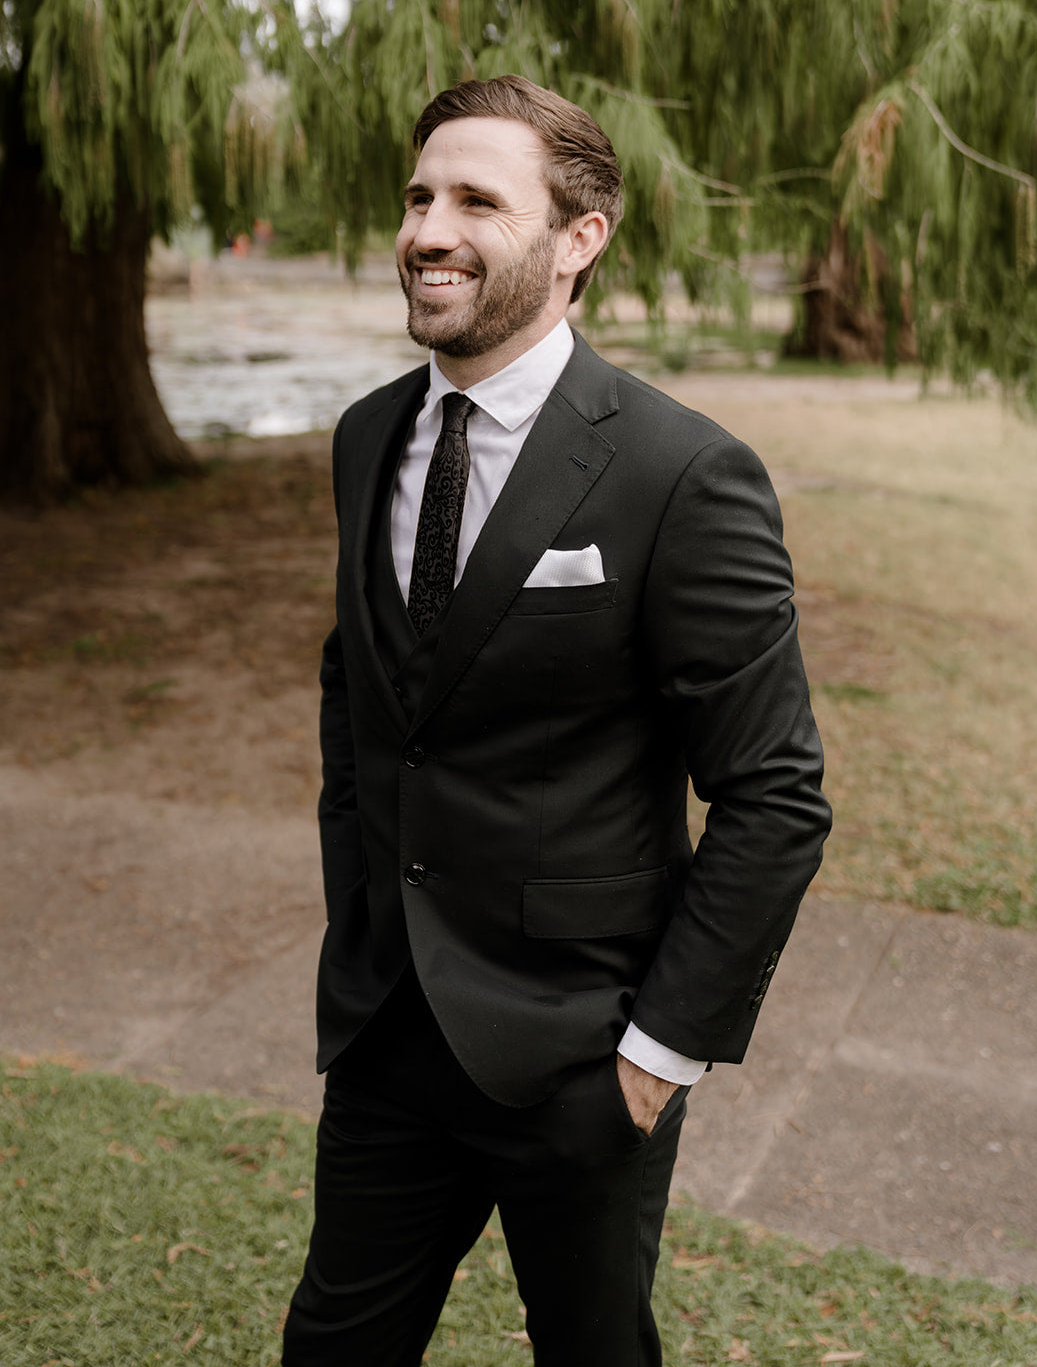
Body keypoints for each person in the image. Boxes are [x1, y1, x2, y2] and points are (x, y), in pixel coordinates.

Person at [282, 75, 831, 1367]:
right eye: (420, 196)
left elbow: (775, 797)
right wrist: (360, 912)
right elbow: (358, 697)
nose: (428, 230)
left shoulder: (679, 473)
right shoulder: (371, 438)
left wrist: (652, 1059)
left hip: (583, 1059)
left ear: (581, 238)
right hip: (387, 1036)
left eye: (478, 200)